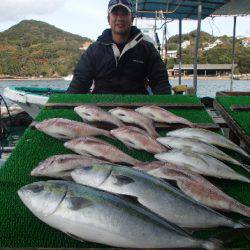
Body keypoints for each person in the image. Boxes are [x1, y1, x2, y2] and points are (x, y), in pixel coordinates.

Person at [67, 0, 172, 95]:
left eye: (125, 13)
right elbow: (79, 84)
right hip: (100, 110)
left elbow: (161, 83)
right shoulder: (94, 51)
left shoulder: (147, 49)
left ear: (132, 18)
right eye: (115, 13)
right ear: (108, 19)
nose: (120, 18)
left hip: (138, 111)